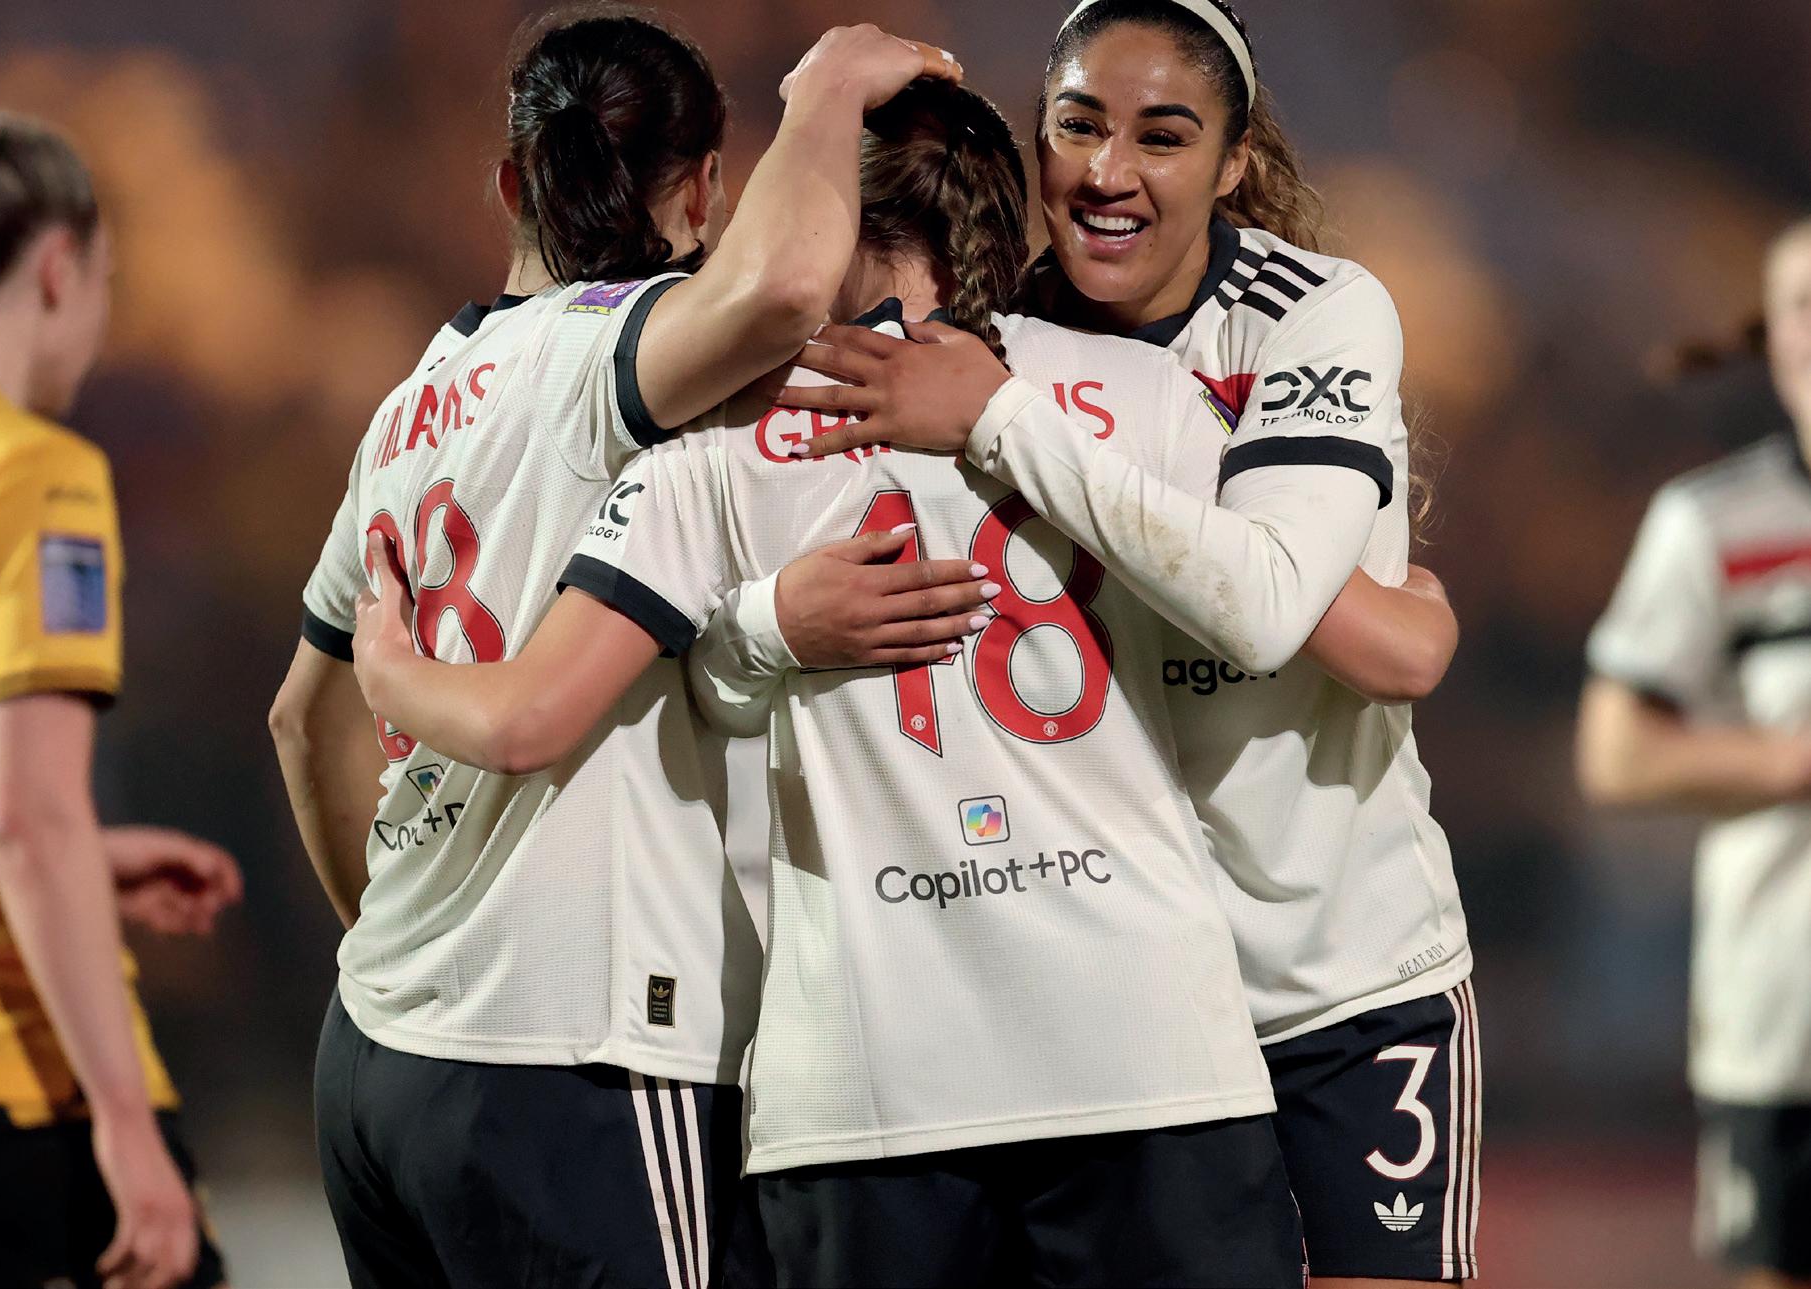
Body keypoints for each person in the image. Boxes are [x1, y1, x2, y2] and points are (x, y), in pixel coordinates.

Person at [347, 71, 1488, 1288]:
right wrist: (1412, 605)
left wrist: (761, 626)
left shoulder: (713, 440)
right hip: (1147, 1064)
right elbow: (1272, 591)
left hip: (866, 1092)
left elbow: (684, 707)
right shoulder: (1147, 394)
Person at [267, 13, 980, 1287]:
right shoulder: (612, 352)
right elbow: (777, 289)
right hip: (564, 1056)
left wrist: (411, 944)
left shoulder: (411, 402)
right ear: (702, 187)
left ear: (510, 182)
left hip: (373, 1053)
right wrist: (823, 92)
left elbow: (300, 719)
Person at [770, 2, 1478, 1283]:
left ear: (1234, 161)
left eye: (1162, 135)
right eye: (1077, 125)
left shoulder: (1307, 314)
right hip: (1113, 1015)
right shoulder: (986, 331)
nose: (1108, 172)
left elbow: (1281, 611)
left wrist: (1003, 422)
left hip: (1335, 976)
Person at [0, 112, 241, 1289]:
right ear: (57, 268)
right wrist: (125, 1124)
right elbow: (24, 815)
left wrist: (88, 857)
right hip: (24, 1096)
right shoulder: (41, 477)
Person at [1578, 217, 1811, 1289]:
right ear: (1771, 337)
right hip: (1784, 1023)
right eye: (1801, 306)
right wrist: (1785, 762)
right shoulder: (1713, 522)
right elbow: (1614, 754)